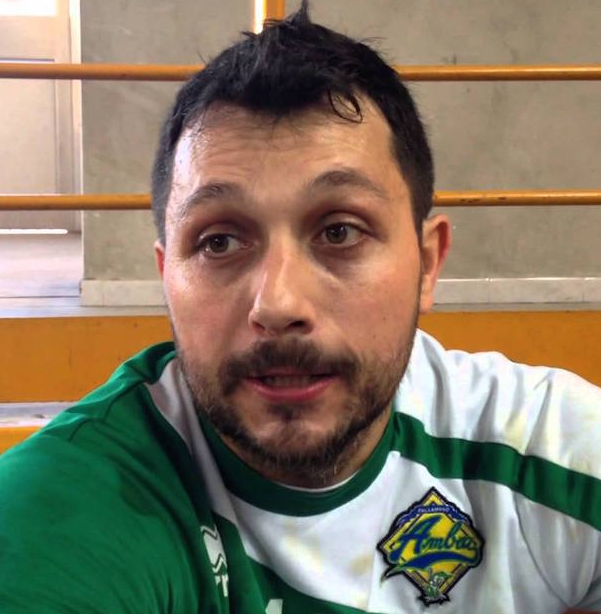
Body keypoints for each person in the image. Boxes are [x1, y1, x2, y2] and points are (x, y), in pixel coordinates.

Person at [1, 3, 600, 613]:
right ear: (166, 277)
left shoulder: (540, 454)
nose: (278, 304)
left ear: (427, 264)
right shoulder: (74, 506)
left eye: (340, 232)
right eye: (219, 242)